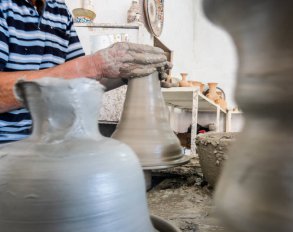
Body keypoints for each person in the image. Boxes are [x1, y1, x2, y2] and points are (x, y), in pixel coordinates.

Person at [0, 0, 170, 144]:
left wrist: (127, 72)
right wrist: (94, 64)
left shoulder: (58, 10)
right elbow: (84, 70)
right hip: (8, 146)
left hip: (49, 144)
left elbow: (79, 80)